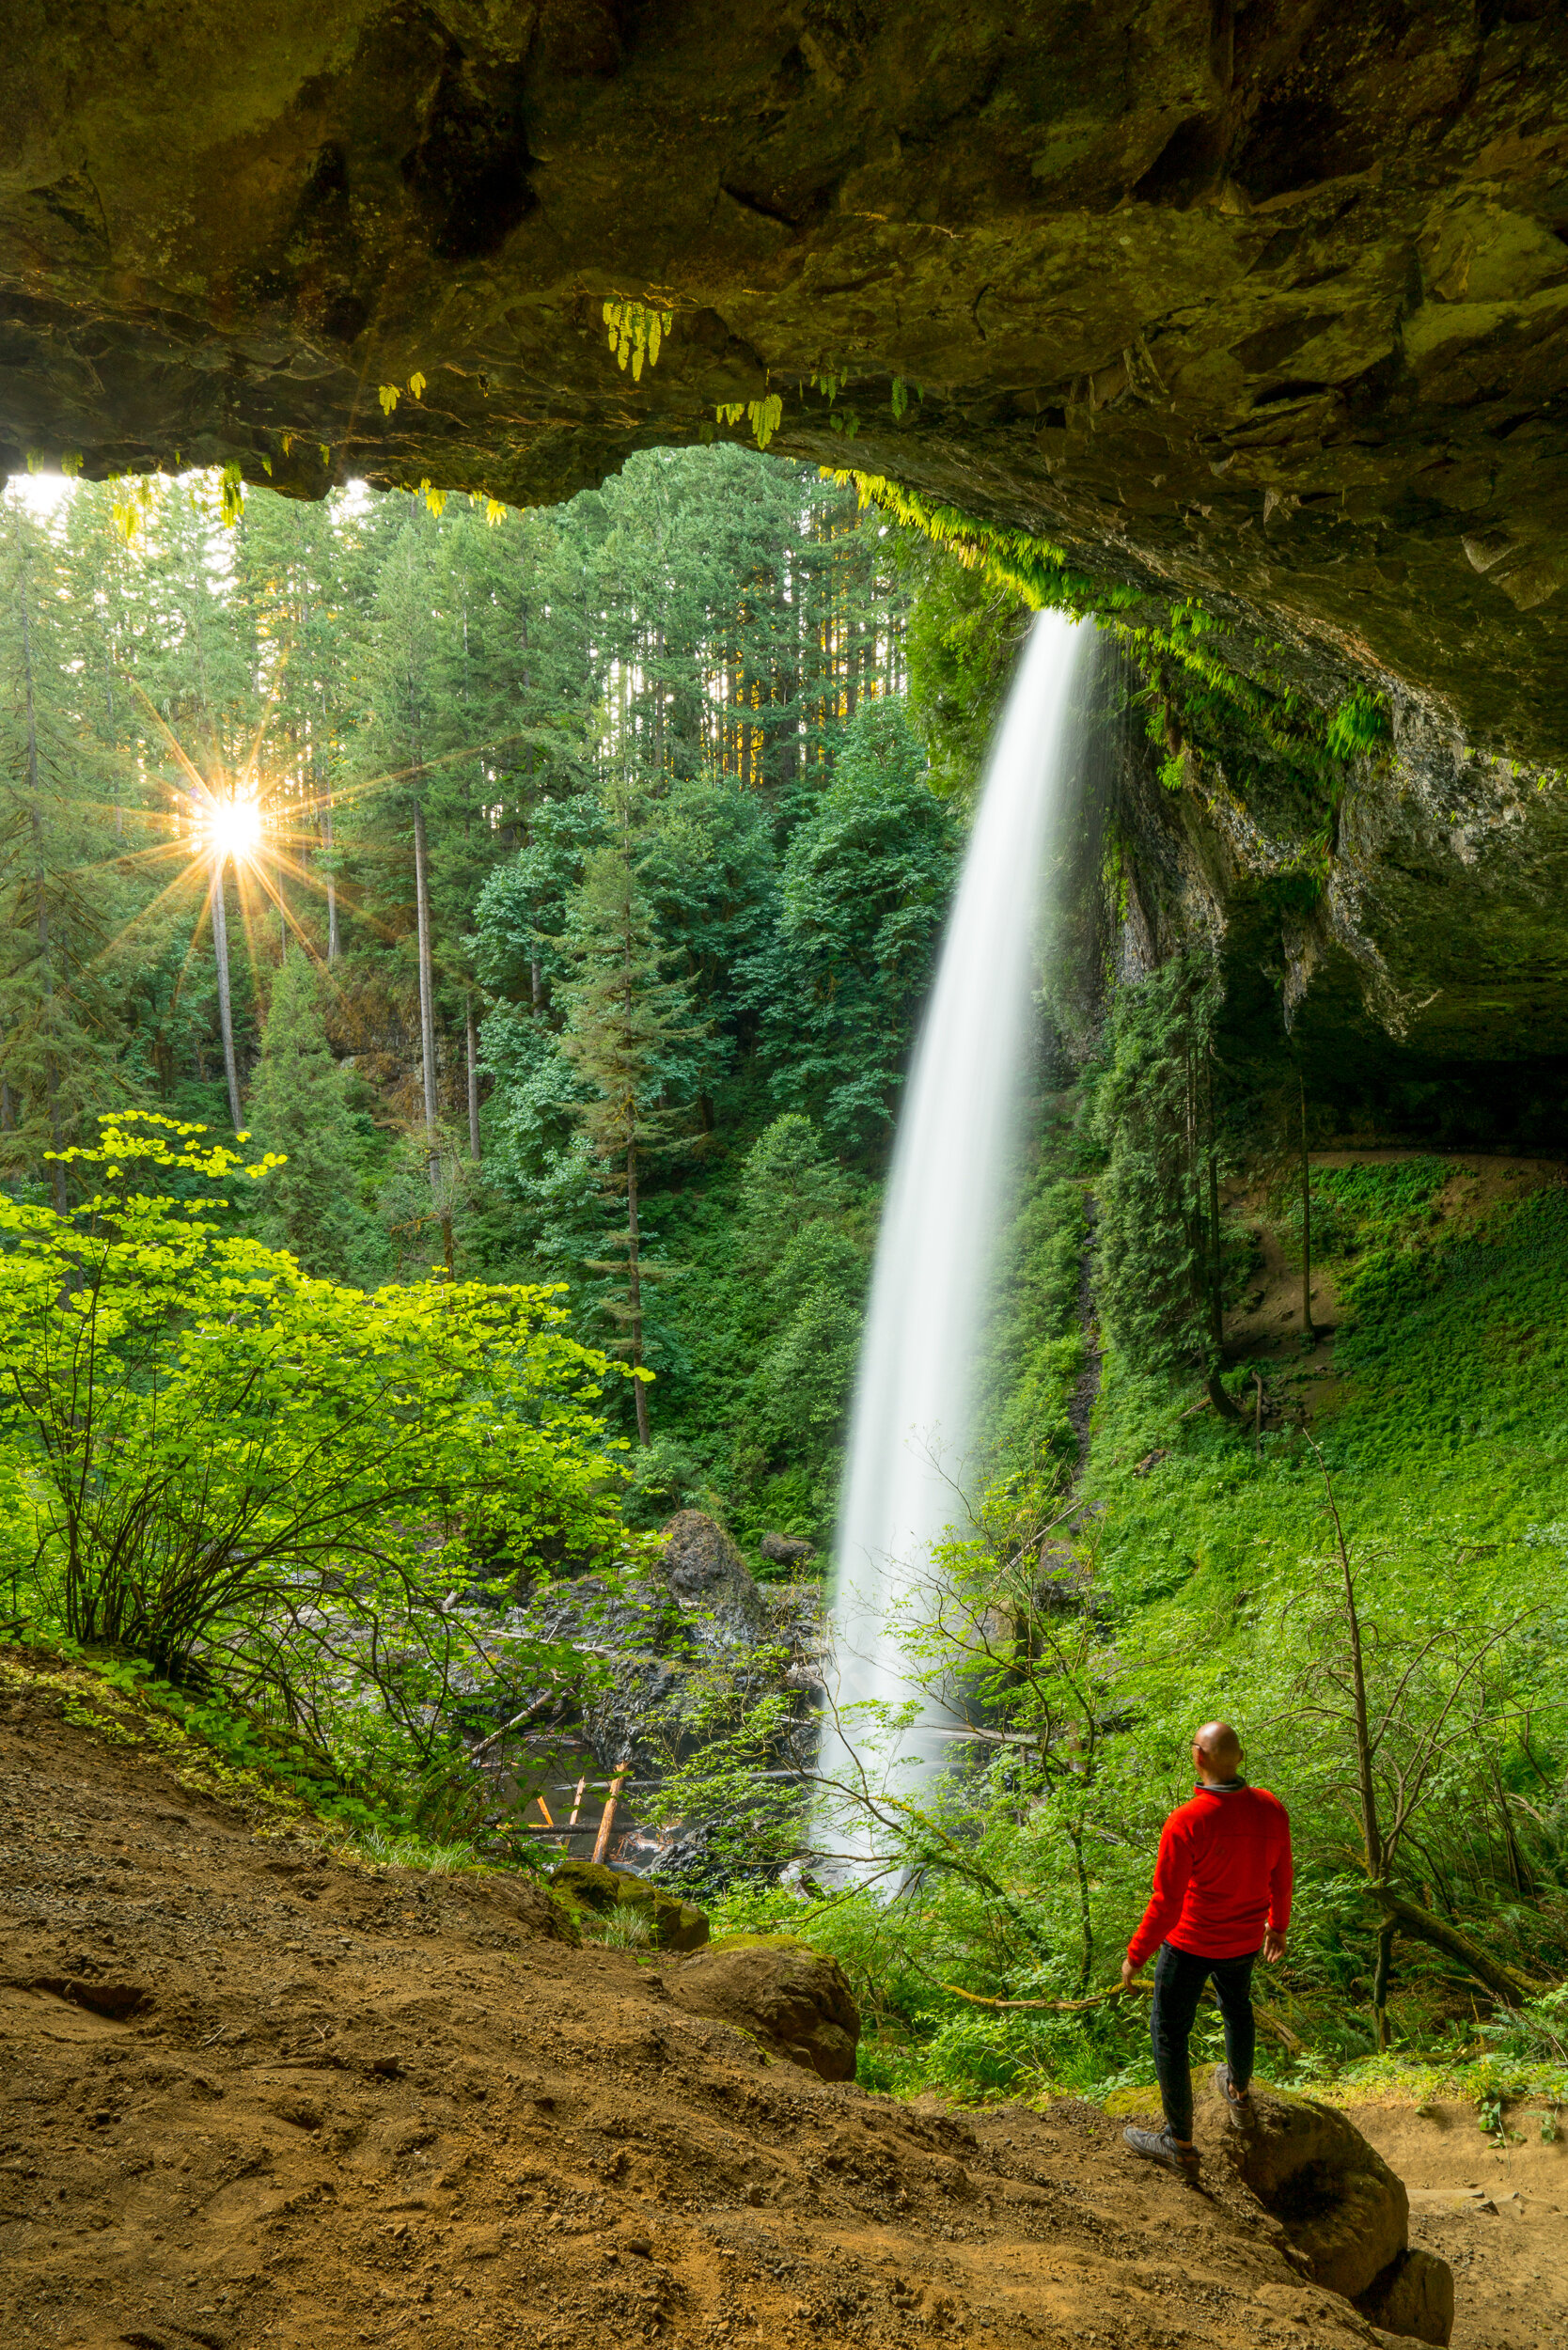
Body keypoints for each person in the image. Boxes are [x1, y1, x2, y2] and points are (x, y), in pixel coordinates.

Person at [1120, 1719, 1292, 2177]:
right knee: (1237, 2009)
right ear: (1238, 1759)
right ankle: (1238, 2095)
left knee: (1170, 2036)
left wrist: (1136, 1955)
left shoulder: (1187, 1820)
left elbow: (1166, 1901)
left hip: (1189, 1944)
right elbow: (1282, 1872)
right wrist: (1278, 1926)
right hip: (1242, 1941)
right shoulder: (1271, 1809)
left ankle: (1179, 2144)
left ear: (1199, 1757)